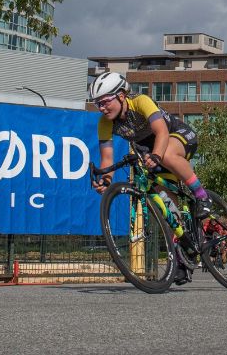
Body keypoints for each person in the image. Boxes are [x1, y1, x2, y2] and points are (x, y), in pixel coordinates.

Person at [89, 72, 209, 283]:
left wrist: (156, 155)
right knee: (167, 209)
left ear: (121, 95)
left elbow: (161, 132)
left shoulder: (141, 102)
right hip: (150, 152)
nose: (102, 108)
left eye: (105, 101)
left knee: (168, 155)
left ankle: (201, 195)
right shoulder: (104, 123)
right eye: (97, 104)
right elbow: (107, 160)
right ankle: (184, 257)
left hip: (176, 137)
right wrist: (105, 181)